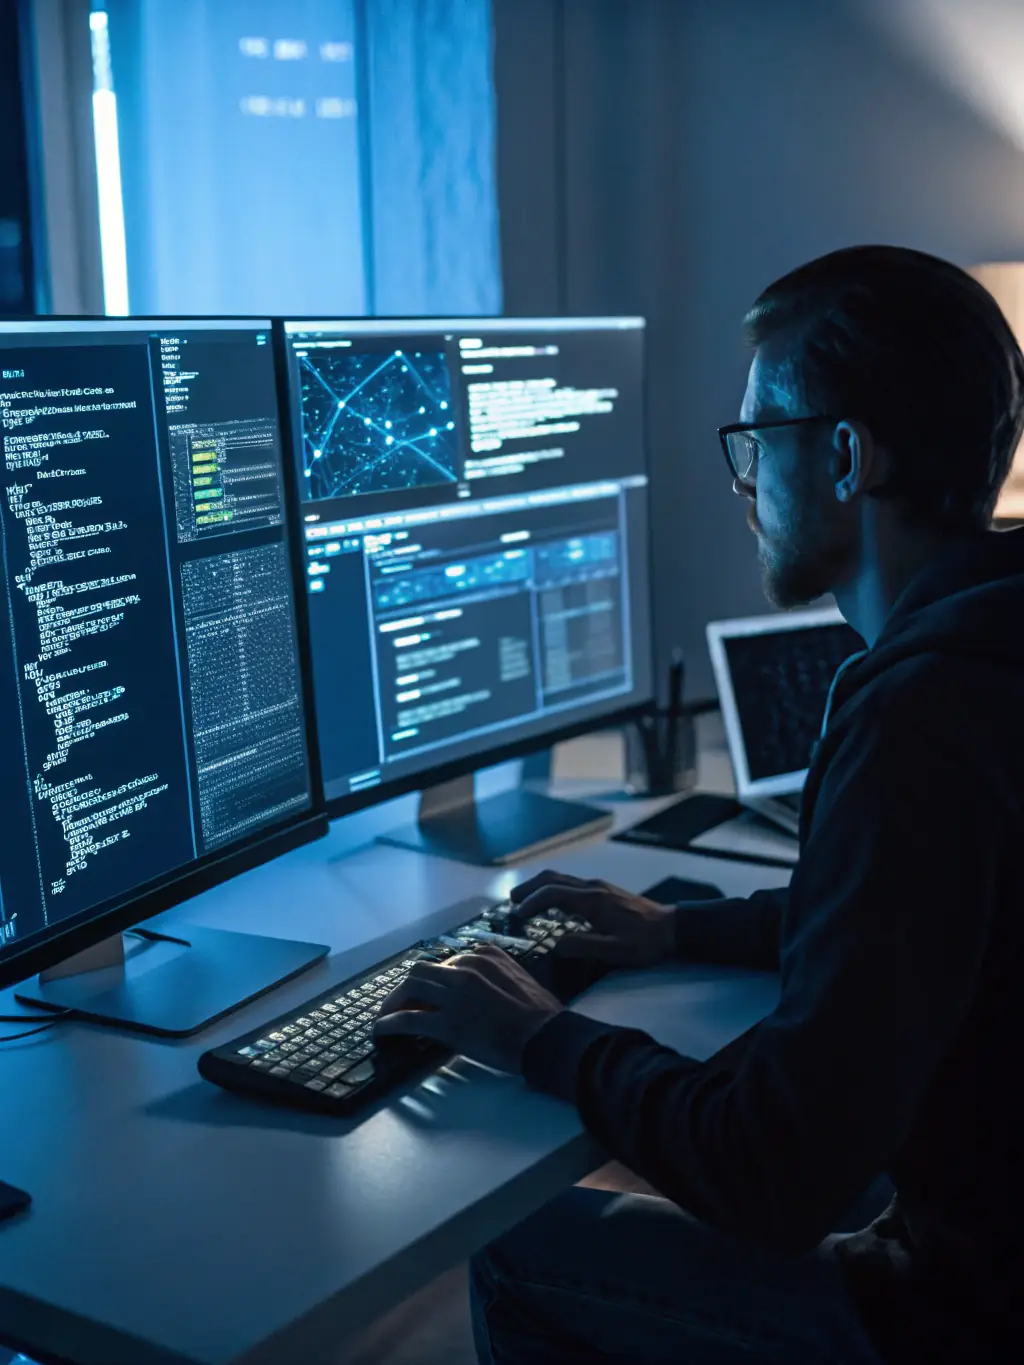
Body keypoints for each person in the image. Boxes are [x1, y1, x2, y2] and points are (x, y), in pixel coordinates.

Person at [374, 245, 1024, 1364]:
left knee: (517, 1248)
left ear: (843, 457)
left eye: (754, 441)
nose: (741, 484)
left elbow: (772, 1172)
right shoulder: (992, 642)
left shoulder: (918, 718)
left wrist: (539, 1035)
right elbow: (920, 925)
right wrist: (676, 930)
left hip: (965, 1318)